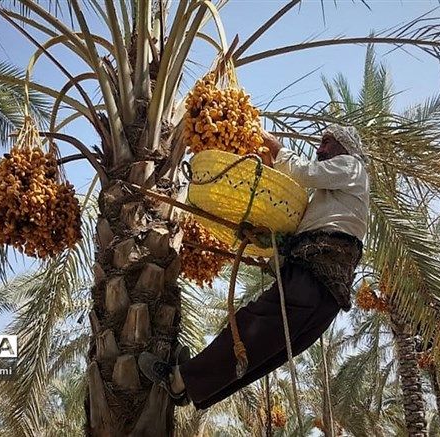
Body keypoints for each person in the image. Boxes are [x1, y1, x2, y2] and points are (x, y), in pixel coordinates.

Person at [139, 124, 370, 409]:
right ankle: (192, 388)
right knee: (273, 348)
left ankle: (181, 379)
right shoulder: (332, 199)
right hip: (331, 291)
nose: (319, 150)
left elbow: (303, 174)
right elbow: (308, 229)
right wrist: (275, 248)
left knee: (256, 322)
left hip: (316, 276)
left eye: (326, 143)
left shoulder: (352, 167)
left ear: (345, 147)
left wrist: (275, 147)